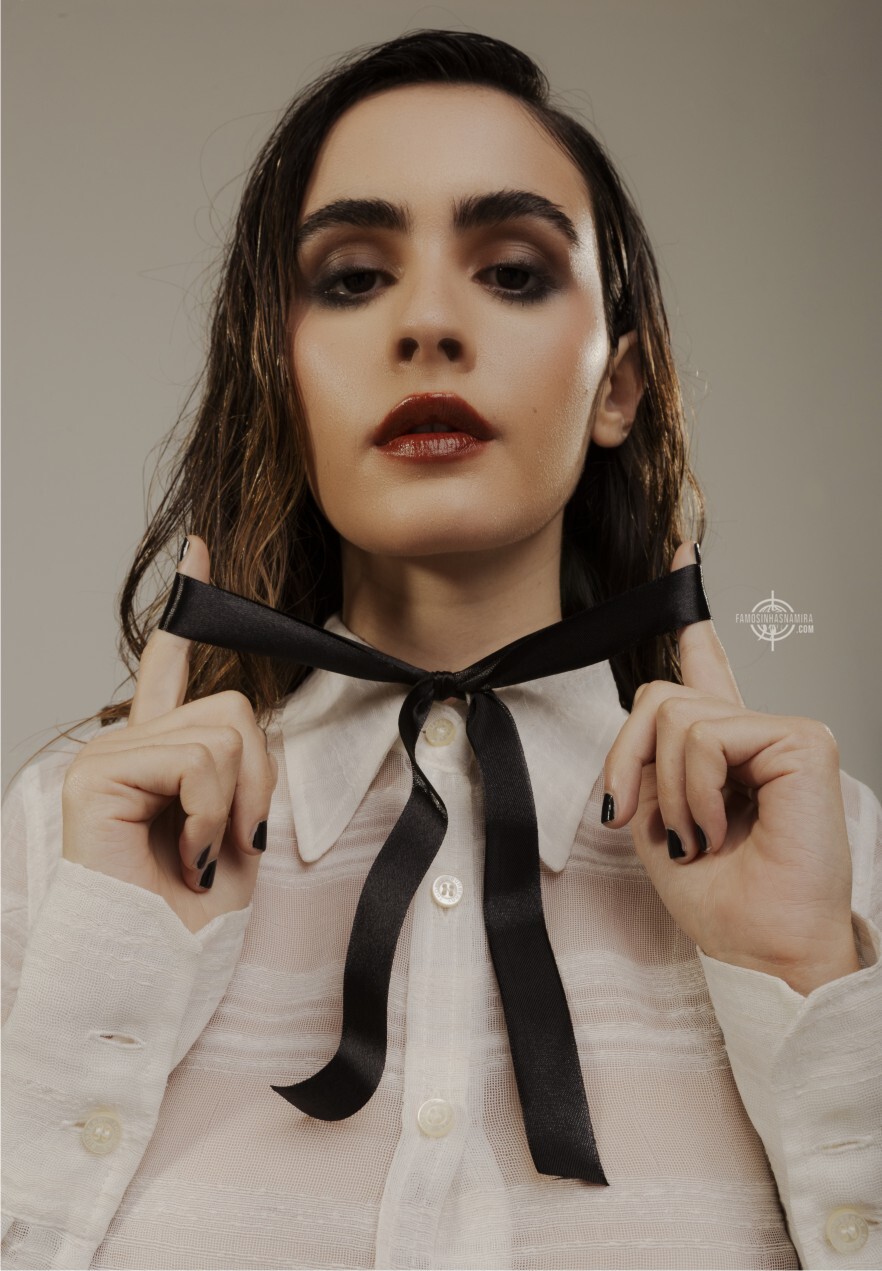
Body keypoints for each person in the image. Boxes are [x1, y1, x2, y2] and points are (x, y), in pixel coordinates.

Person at [2, 27, 879, 1271]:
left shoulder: (833, 861)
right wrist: (111, 963)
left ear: (619, 384)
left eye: (512, 272)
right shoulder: (66, 848)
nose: (426, 323)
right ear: (281, 372)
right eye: (353, 278)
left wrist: (803, 973)